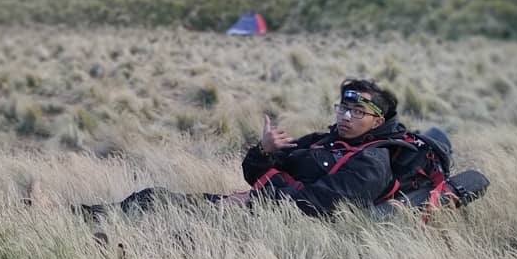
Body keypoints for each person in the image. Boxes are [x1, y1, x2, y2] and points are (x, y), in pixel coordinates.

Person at [75, 78, 404, 220]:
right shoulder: (325, 140)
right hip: (251, 206)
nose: (346, 116)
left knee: (154, 206)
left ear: (377, 121)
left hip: (266, 221)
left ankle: (76, 220)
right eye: (342, 108)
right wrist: (264, 151)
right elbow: (253, 175)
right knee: (150, 197)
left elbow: (316, 206)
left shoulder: (371, 162)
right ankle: (74, 214)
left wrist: (259, 192)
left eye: (357, 112)